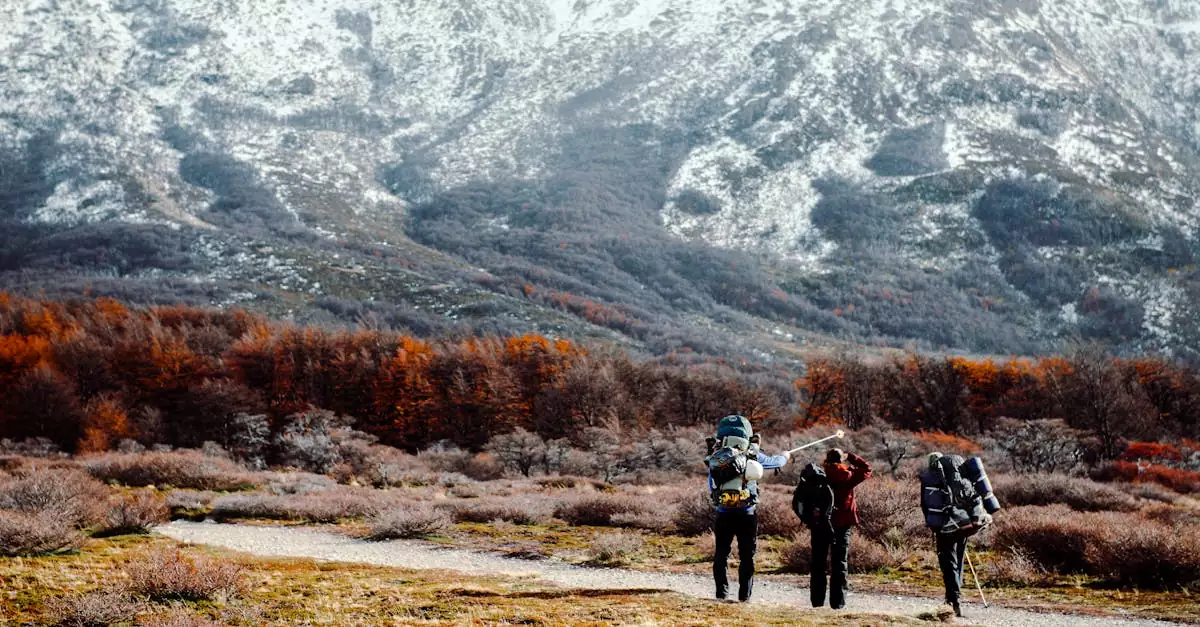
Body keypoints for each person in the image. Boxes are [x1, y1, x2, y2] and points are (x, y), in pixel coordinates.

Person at [707, 416, 790, 602]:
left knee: (721, 553)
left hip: (723, 513)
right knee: (747, 556)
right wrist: (785, 456)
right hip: (747, 514)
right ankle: (744, 596)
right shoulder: (752, 455)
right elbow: (775, 462)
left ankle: (721, 593)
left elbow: (711, 485)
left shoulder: (716, 456)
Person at [811, 448, 872, 609]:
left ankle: (817, 601)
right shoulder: (848, 475)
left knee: (818, 561)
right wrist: (852, 457)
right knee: (839, 562)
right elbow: (867, 469)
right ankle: (838, 602)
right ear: (841, 460)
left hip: (820, 523)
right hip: (842, 523)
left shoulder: (818, 475)